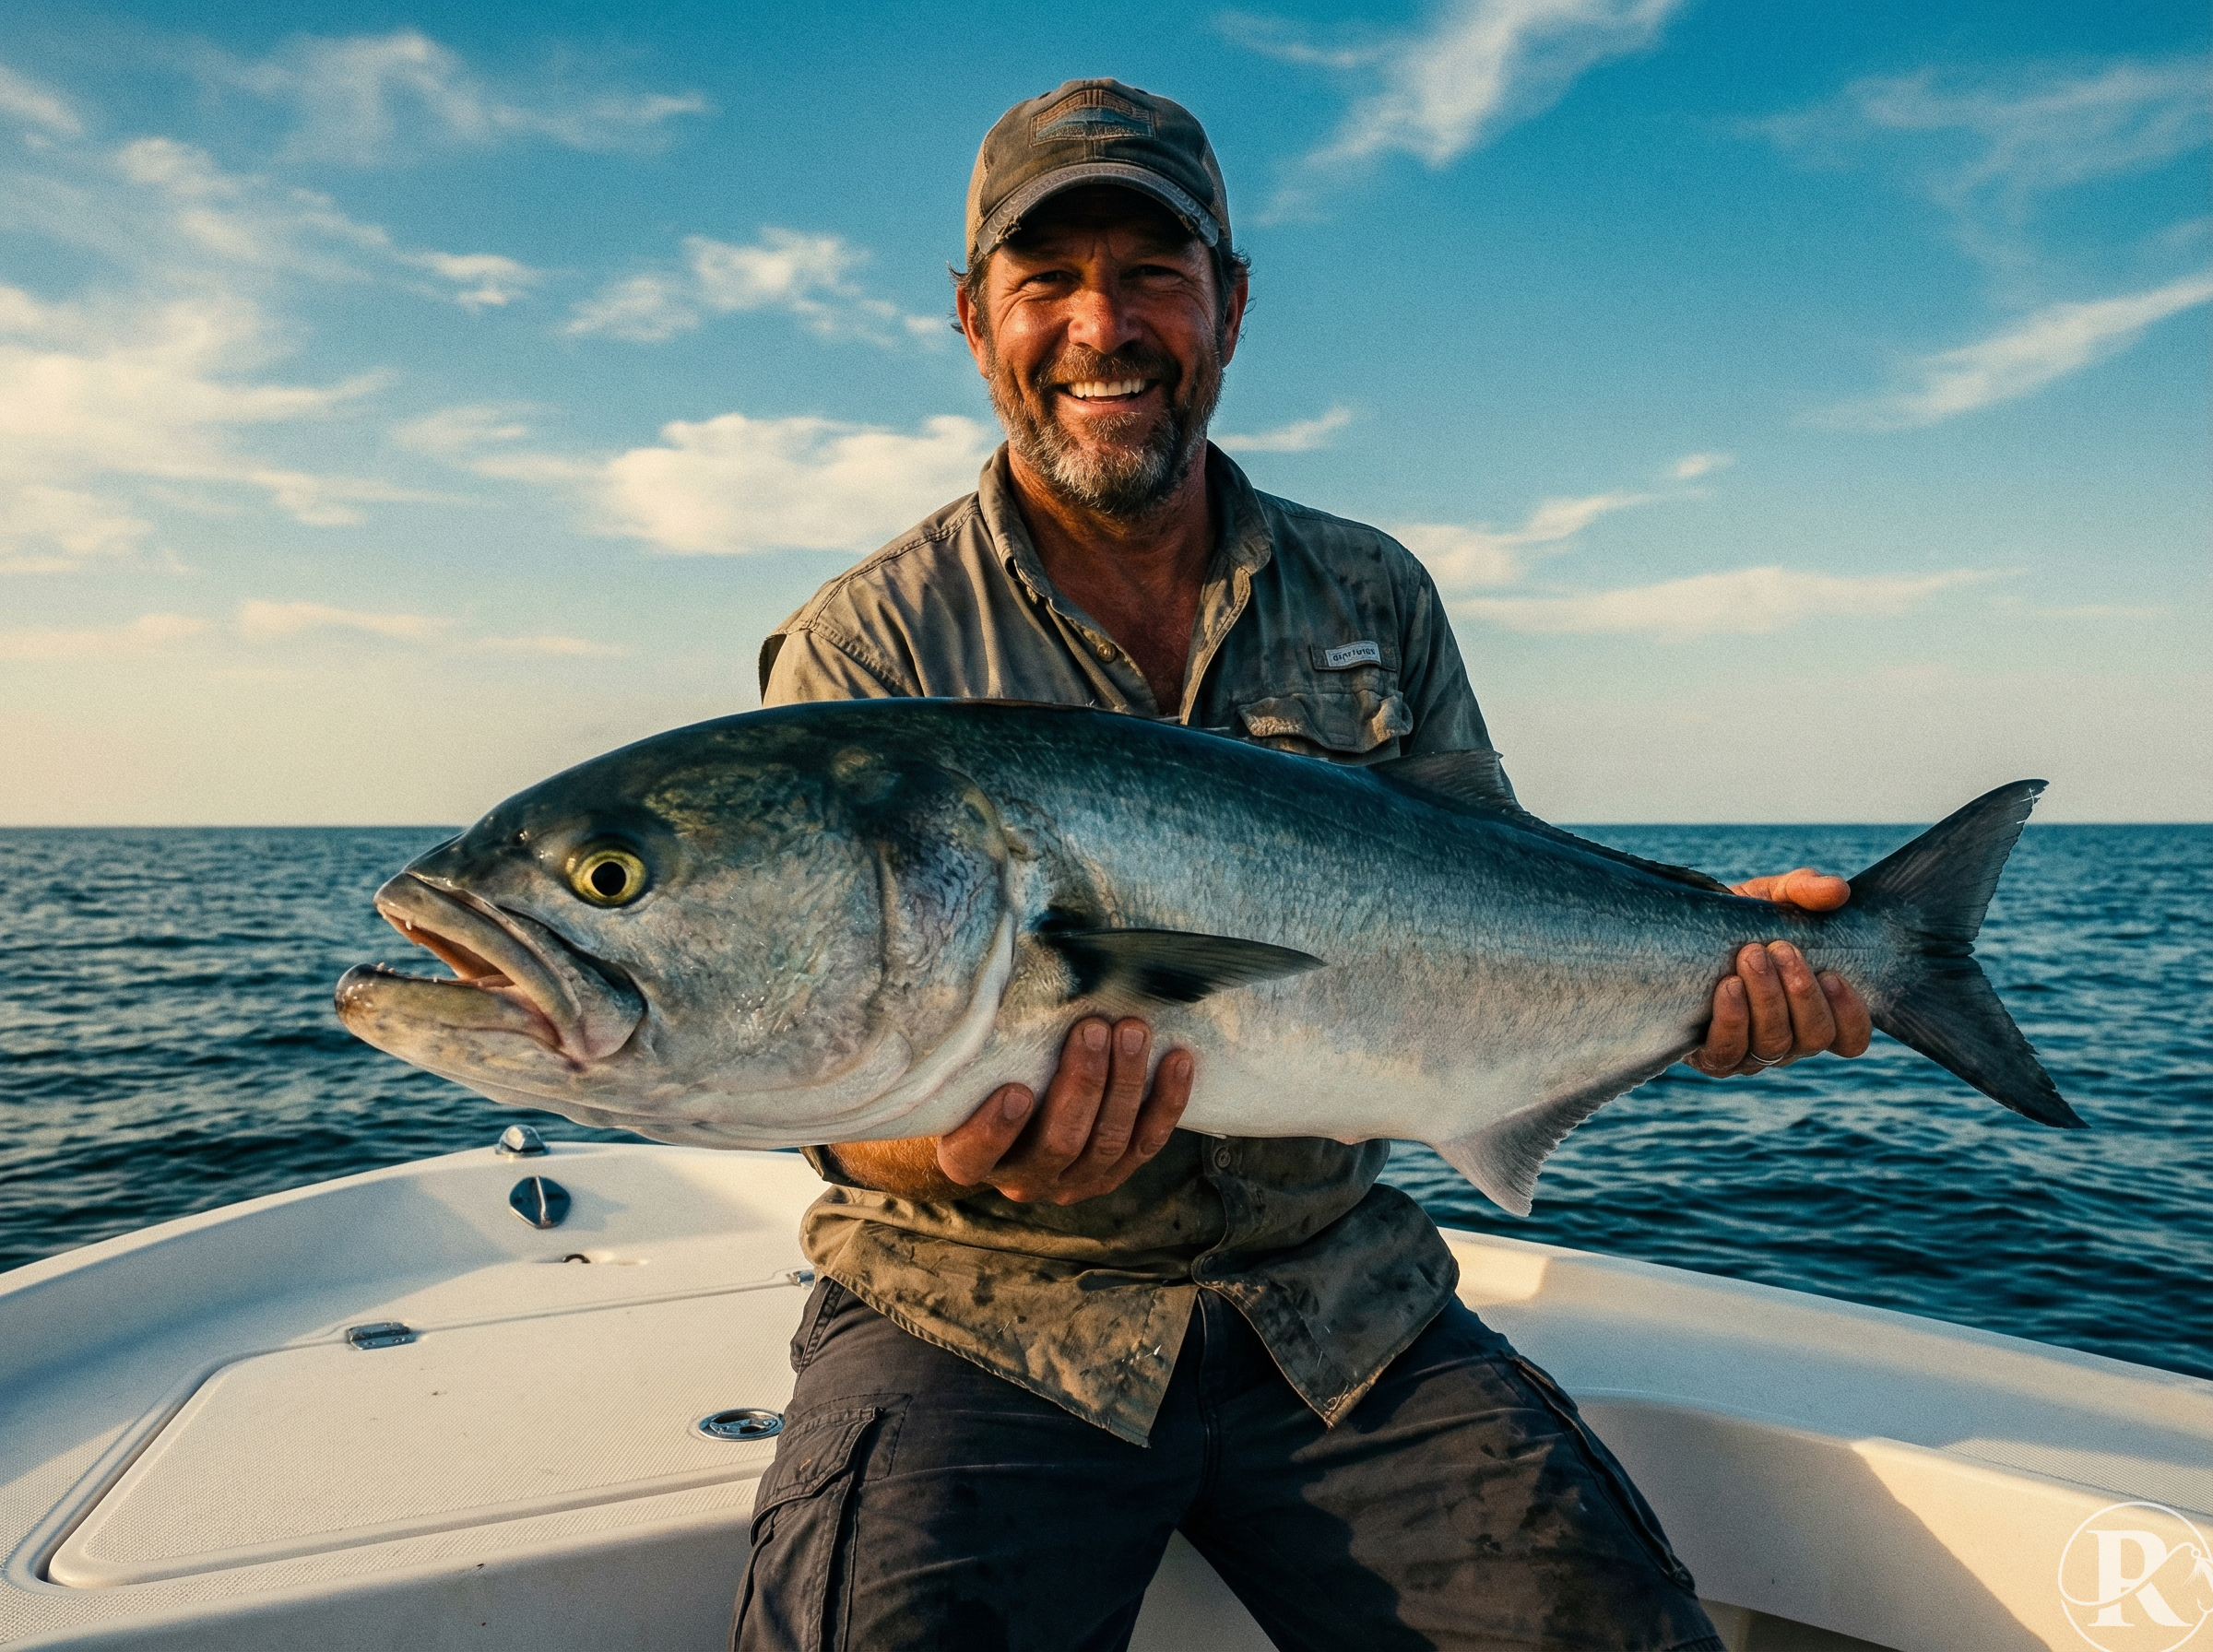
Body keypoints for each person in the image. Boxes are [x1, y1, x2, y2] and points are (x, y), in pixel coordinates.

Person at [736, 79, 1870, 1652]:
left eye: (1151, 273)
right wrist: (958, 1151)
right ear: (971, 319)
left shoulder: (1368, 587)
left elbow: (1498, 897)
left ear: (1233, 303)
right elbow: (831, 1071)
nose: (1100, 325)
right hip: (981, 1319)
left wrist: (1709, 963)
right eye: (1046, 280)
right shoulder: (876, 643)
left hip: (1336, 1305)